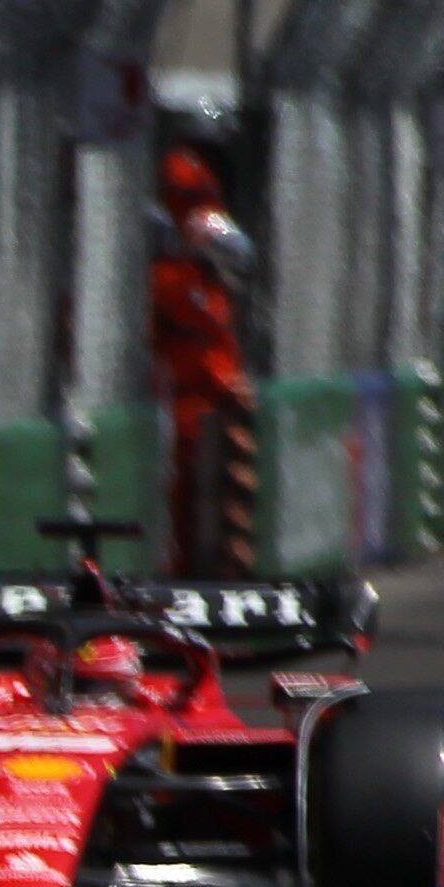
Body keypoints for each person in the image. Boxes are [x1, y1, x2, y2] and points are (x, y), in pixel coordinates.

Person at [151, 146, 256, 573]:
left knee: (216, 509)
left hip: (210, 411)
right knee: (177, 510)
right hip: (177, 408)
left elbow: (238, 252)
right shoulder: (169, 281)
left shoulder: (208, 288)